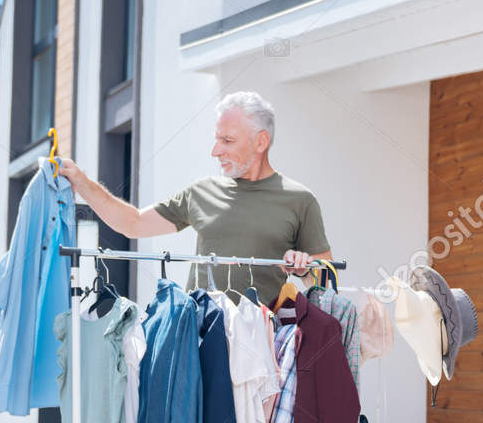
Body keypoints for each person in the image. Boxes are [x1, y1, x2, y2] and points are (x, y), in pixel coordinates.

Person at [56, 91, 333, 306]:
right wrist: (81, 182)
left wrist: (303, 268)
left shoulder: (299, 199)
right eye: (217, 139)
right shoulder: (201, 192)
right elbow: (133, 223)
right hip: (201, 342)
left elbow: (326, 283)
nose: (216, 150)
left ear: (260, 142)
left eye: (227, 141)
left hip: (265, 349)